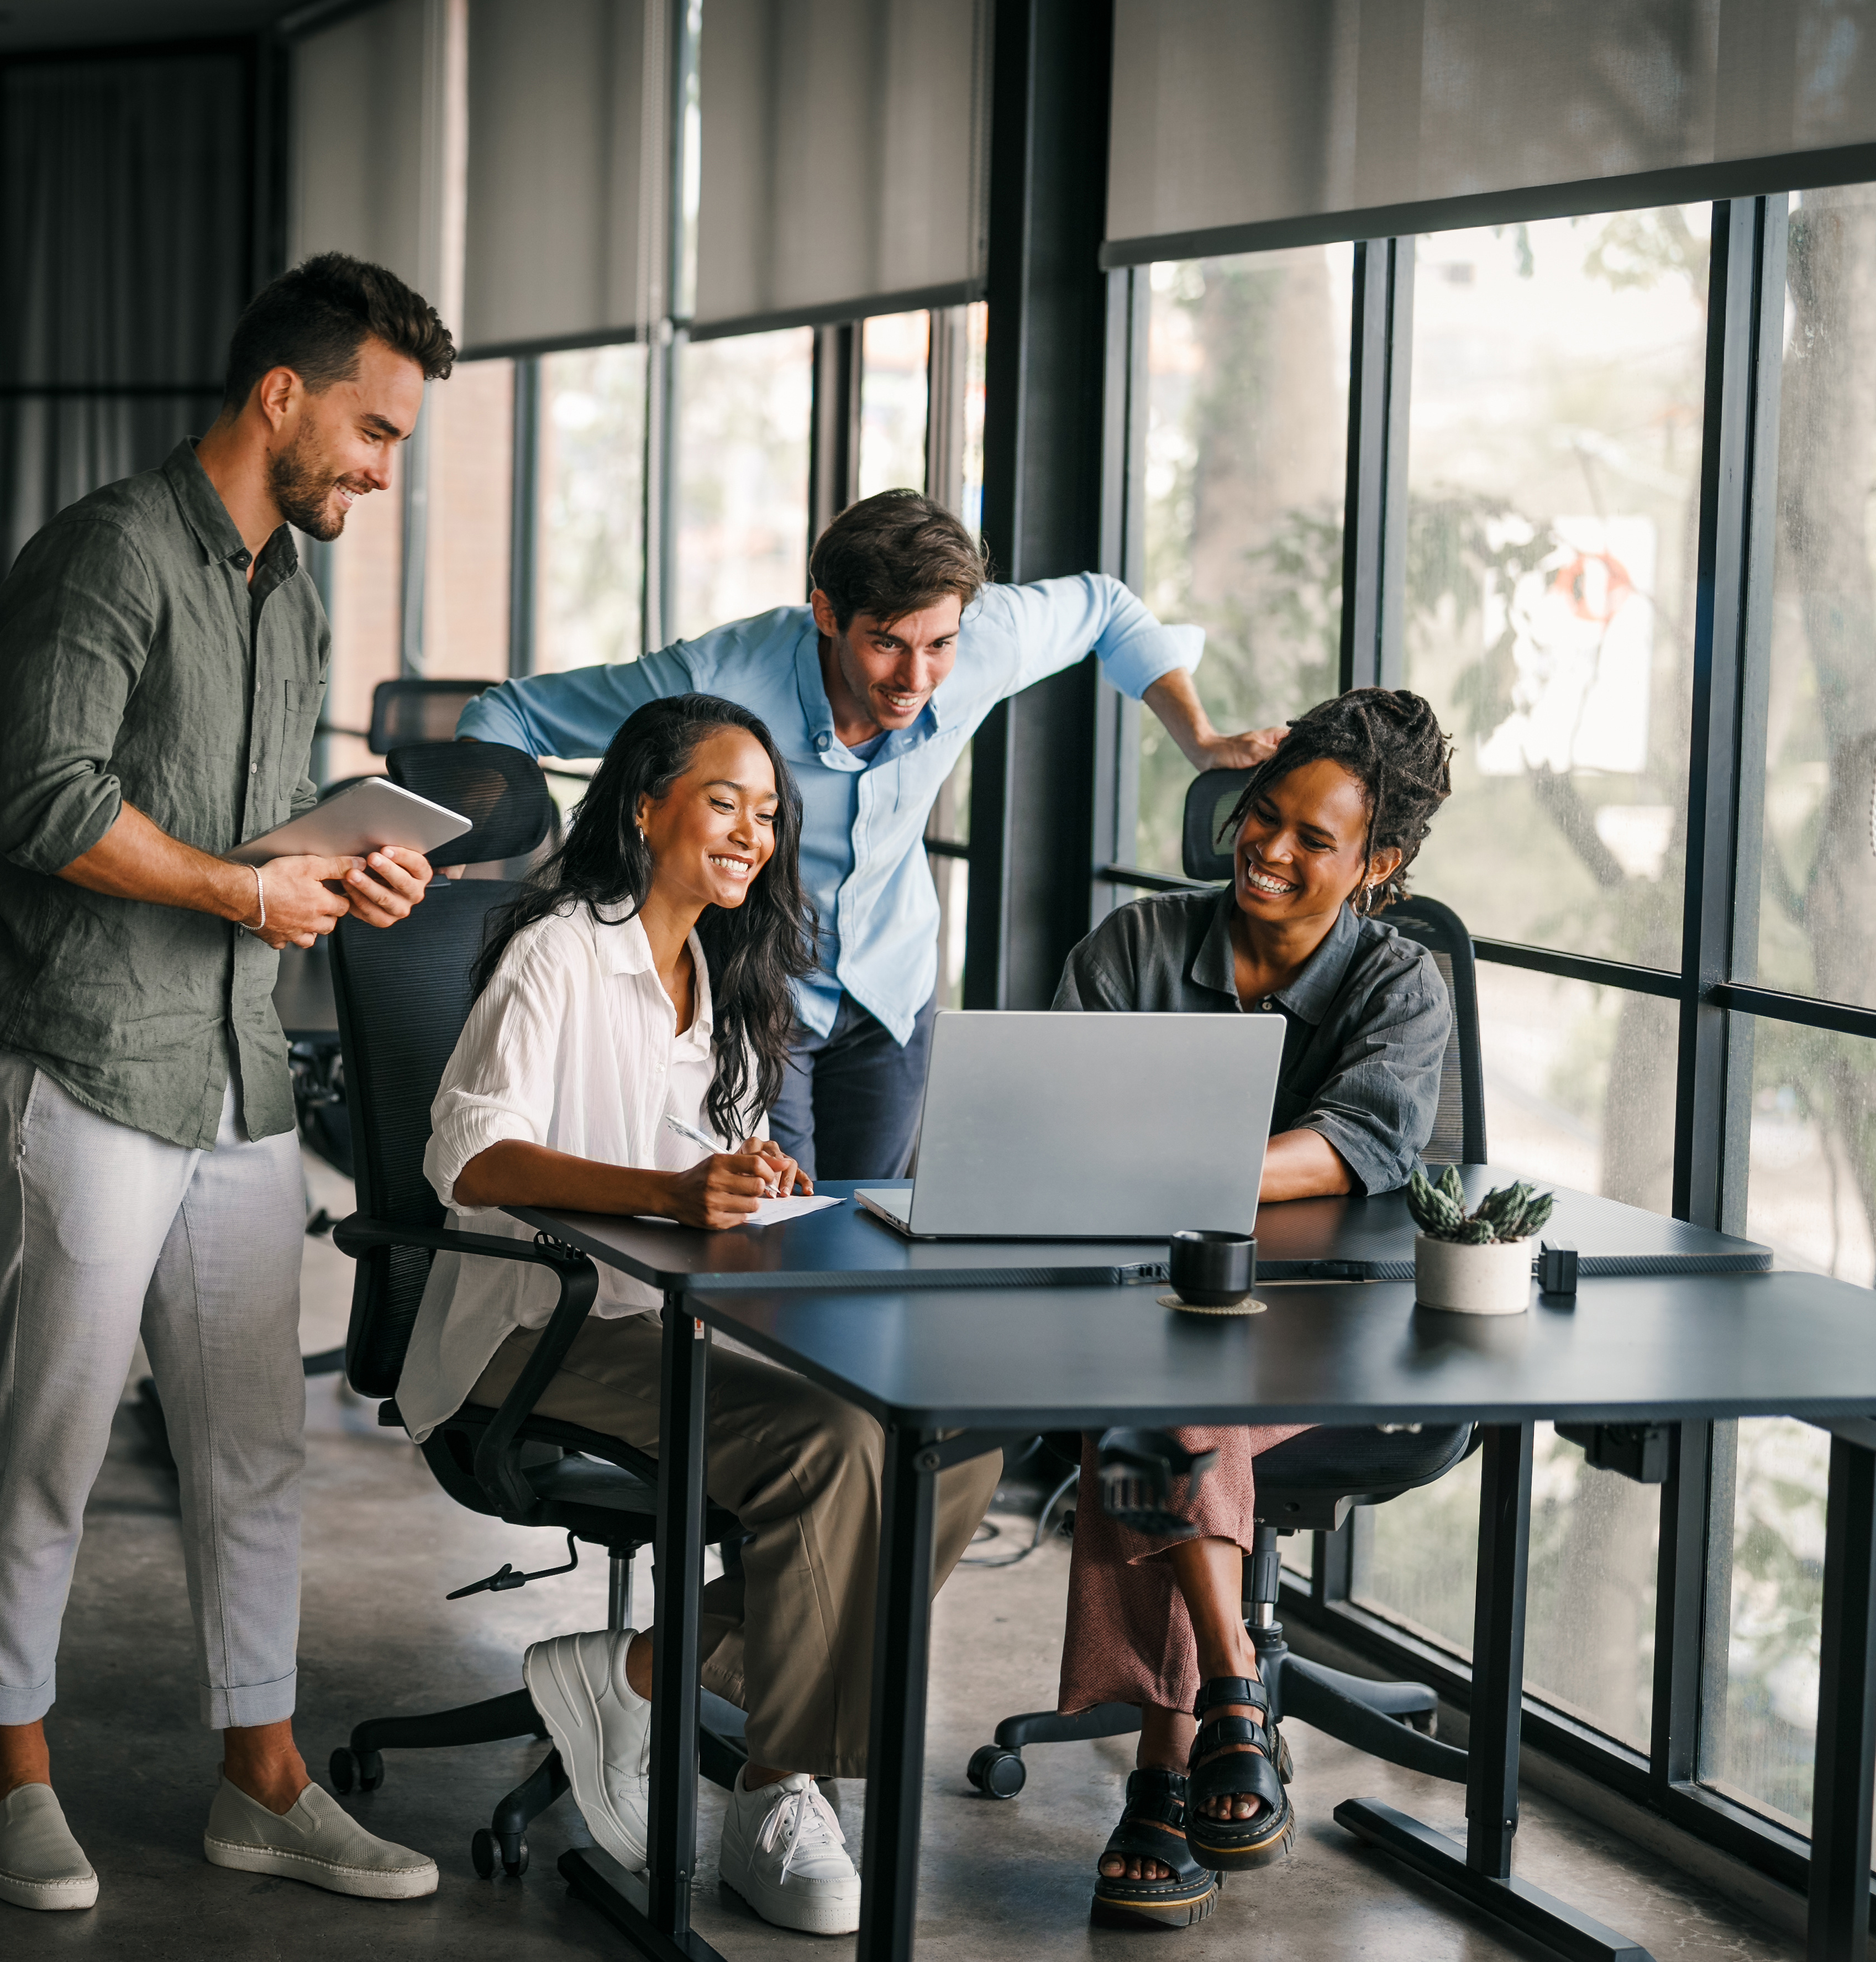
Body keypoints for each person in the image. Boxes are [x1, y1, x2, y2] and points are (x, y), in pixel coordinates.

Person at [0, 253, 454, 1912]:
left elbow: (245, 819)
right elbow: (44, 801)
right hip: (85, 1058)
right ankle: (8, 1768)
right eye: (373, 429)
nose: (383, 468)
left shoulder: (288, 586)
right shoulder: (104, 552)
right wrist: (248, 891)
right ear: (280, 395)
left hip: (235, 1069)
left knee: (256, 1447)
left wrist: (341, 864)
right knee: (56, 1433)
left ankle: (264, 1778)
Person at [397, 693, 1001, 1939]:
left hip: (675, 1318)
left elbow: (700, 1166)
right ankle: (785, 1784)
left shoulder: (719, 974)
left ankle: (638, 1674)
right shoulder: (562, 949)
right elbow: (468, 1154)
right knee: (831, 1447)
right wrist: (672, 1190)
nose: (751, 832)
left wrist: (746, 1177)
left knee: (953, 1433)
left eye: (769, 813)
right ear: (643, 807)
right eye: (723, 801)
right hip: (538, 1333)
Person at [457, 490, 1289, 1179]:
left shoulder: (981, 641)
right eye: (887, 644)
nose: (916, 679)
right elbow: (510, 714)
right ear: (827, 612)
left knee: (868, 1237)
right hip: (759, 992)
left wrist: (1202, 741)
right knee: (775, 1241)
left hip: (893, 994)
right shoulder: (714, 680)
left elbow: (1109, 607)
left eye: (938, 647)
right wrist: (490, 877)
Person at [1050, 687, 1458, 1931]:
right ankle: (1234, 1700)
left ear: (1377, 865)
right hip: (1148, 1320)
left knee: (1156, 1412)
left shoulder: (1402, 981)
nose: (1267, 850)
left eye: (1312, 839)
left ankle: (1163, 1780)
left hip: (1337, 1336)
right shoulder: (1136, 944)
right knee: (1167, 1392)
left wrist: (1169, 1158)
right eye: (1260, 815)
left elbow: (1355, 1147)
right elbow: (1057, 1117)